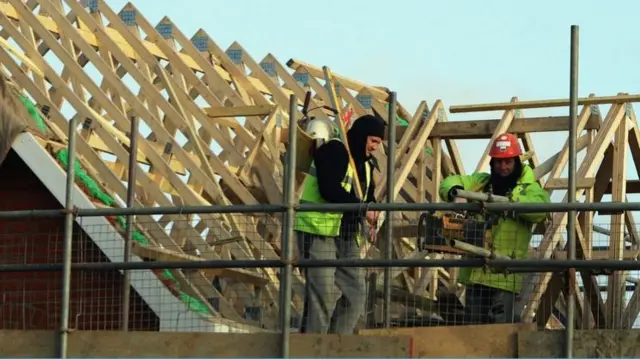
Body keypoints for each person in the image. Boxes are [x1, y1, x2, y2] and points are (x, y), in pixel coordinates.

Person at [438, 133, 550, 325]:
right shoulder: (481, 182)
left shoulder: (529, 189)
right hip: (477, 272)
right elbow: (449, 182)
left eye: (507, 162)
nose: (503, 167)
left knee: (499, 330)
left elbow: (540, 210)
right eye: (498, 162)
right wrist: (456, 193)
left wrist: (510, 204)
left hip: (503, 274)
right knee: (474, 328)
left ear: (516, 162)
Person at [294, 114, 386, 334]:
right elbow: (329, 189)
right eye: (373, 141)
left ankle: (336, 345)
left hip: (346, 235)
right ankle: (313, 349)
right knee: (322, 295)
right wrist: (360, 207)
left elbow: (367, 197)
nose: (374, 147)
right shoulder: (334, 151)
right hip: (318, 231)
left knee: (356, 295)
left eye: (378, 143)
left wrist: (371, 209)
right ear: (361, 136)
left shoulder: (364, 166)